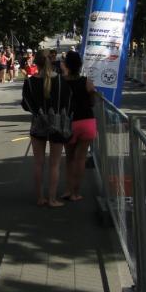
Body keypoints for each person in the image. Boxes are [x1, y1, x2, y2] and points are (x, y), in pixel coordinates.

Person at [21, 49, 71, 208]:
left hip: (38, 123)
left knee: (38, 163)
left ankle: (40, 198)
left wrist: (38, 111)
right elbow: (68, 102)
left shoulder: (29, 82)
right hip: (57, 123)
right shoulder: (61, 81)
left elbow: (26, 104)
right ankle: (52, 199)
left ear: (36, 63)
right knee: (55, 164)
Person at [61, 51, 97, 202]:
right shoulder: (87, 81)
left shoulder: (61, 82)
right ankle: (76, 192)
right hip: (87, 121)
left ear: (66, 65)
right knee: (81, 159)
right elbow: (92, 101)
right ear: (80, 65)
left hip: (69, 122)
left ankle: (68, 190)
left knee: (69, 159)